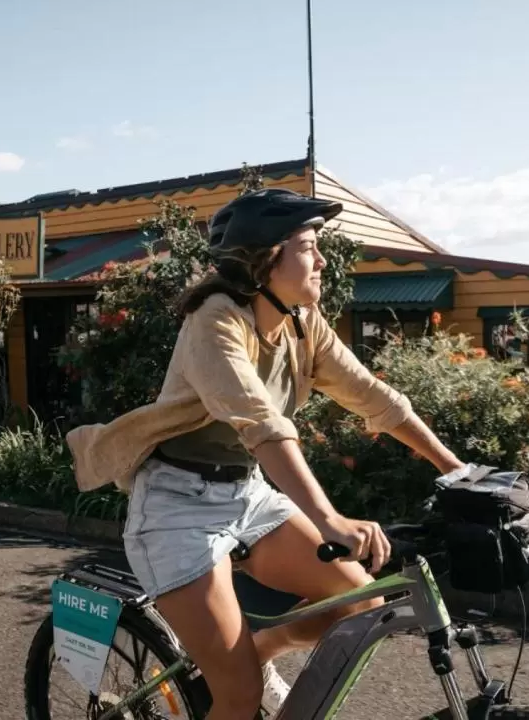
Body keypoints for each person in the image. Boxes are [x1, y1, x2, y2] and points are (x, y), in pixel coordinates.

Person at [65, 188, 464, 719]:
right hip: (175, 509)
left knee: (361, 603)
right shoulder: (215, 322)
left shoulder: (302, 323)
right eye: (309, 246)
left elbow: (373, 396)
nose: (322, 260)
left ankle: (256, 653)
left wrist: (457, 471)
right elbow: (264, 425)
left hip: (245, 495)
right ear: (264, 261)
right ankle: (237, 679)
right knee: (238, 696)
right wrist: (329, 521)